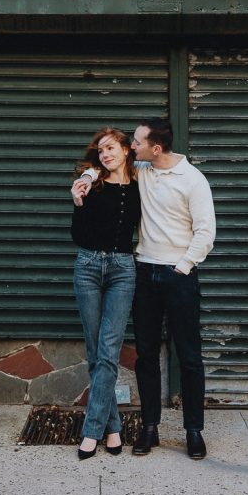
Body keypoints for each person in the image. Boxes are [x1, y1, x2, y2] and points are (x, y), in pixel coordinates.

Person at [77, 118, 216, 460]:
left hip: (179, 274)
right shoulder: (142, 168)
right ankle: (150, 427)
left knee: (189, 355)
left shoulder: (193, 180)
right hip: (141, 271)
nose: (132, 145)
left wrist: (181, 268)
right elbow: (104, 163)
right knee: (146, 355)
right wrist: (86, 177)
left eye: (137, 142)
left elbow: (206, 232)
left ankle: (193, 431)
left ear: (155, 148)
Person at [70, 127, 141, 460]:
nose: (105, 154)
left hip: (123, 270)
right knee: (96, 351)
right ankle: (112, 428)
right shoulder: (92, 184)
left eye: (111, 148)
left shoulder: (143, 184)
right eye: (100, 151)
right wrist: (79, 202)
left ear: (126, 150)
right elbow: (78, 235)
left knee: (108, 350)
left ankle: (91, 431)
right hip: (87, 265)